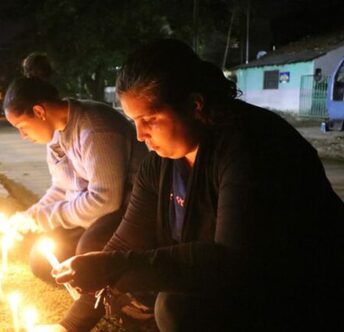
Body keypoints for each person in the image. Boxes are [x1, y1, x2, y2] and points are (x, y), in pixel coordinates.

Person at [44, 39, 343, 331]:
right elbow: (125, 243)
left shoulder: (251, 147)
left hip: (303, 281)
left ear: (194, 105)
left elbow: (231, 262)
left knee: (176, 306)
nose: (139, 135)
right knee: (108, 255)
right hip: (235, 274)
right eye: (133, 120)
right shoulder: (161, 162)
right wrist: (68, 325)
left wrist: (116, 267)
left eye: (149, 118)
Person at [3, 75, 148, 285]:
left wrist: (44, 219)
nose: (22, 135)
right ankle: (92, 284)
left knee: (86, 252)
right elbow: (62, 187)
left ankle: (128, 296)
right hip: (96, 215)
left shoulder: (95, 128)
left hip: (129, 210)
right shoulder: (56, 135)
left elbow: (105, 201)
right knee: (41, 260)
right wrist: (30, 216)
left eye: (22, 126)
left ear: (39, 111)